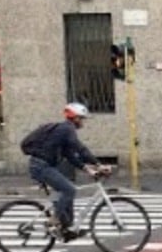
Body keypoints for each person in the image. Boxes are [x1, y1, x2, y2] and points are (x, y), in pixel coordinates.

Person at [21, 102, 109, 242]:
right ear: (75, 118)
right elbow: (80, 148)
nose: (83, 122)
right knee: (69, 190)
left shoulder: (64, 131)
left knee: (67, 192)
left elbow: (70, 155)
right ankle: (54, 220)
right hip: (41, 167)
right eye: (82, 118)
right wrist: (98, 164)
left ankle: (65, 229)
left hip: (45, 166)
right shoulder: (67, 129)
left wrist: (87, 169)